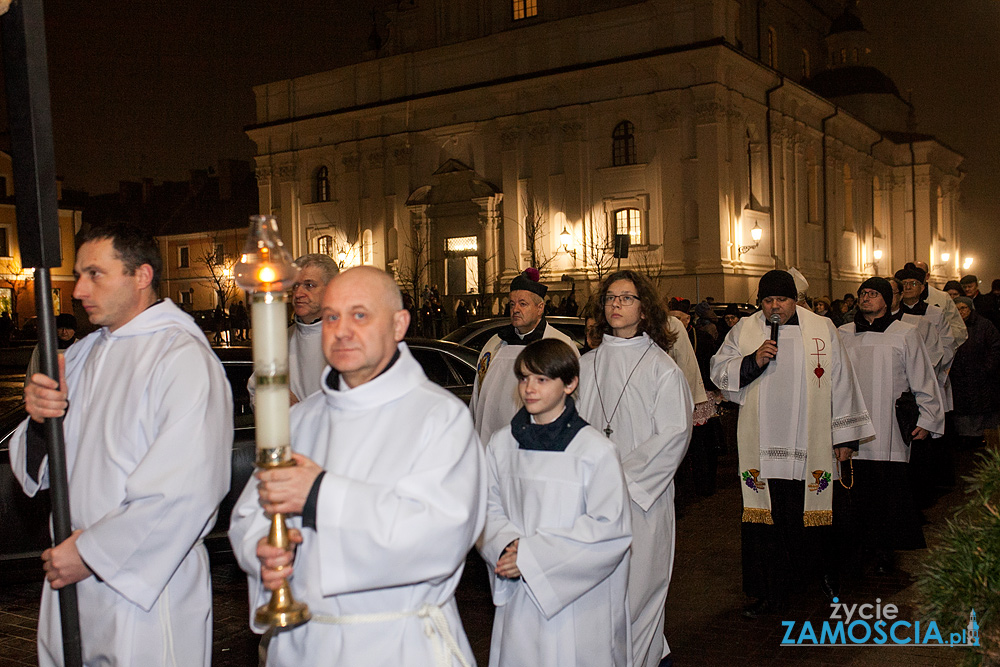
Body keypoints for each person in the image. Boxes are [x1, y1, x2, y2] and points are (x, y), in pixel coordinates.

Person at [229, 266, 485, 666]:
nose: (341, 330)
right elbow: (250, 514)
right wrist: (262, 552)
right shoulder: (297, 420)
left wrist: (318, 494)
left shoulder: (439, 416)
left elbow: (440, 536)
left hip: (397, 644)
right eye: (331, 316)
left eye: (359, 315)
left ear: (400, 324)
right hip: (303, 644)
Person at [11, 223, 233, 666]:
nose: (77, 290)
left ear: (142, 276)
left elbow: (187, 489)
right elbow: (42, 469)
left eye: (95, 274)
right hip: (71, 577)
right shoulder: (80, 355)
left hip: (144, 589)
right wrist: (38, 421)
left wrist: (92, 554)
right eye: (78, 275)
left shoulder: (181, 358)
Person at [710, 270, 873, 618]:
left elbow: (842, 379)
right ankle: (768, 590)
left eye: (781, 300)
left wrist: (845, 435)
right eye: (767, 300)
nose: (774, 307)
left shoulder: (821, 328)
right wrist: (753, 360)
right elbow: (719, 370)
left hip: (809, 443)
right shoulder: (746, 329)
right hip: (763, 444)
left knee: (812, 514)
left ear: (794, 299)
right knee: (766, 520)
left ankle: (819, 578)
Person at [481, 338, 632, 667]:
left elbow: (610, 531)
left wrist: (533, 558)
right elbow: (486, 507)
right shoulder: (502, 444)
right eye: (523, 378)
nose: (529, 389)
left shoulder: (594, 451)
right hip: (518, 588)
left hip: (578, 600)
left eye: (541, 379)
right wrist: (506, 548)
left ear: (570, 383)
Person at [577, 269, 693, 667]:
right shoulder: (585, 364)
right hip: (589, 501)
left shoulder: (663, 369)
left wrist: (618, 479)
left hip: (642, 501)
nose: (615, 304)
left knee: (639, 594)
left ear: (645, 311)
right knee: (594, 596)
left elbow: (674, 436)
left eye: (626, 298)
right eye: (610, 297)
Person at [838, 277, 945, 574]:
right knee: (854, 491)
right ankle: (858, 548)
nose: (866, 298)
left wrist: (927, 417)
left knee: (887, 491)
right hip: (852, 425)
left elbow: (923, 377)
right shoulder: (843, 333)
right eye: (863, 293)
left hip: (888, 425)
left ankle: (885, 550)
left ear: (887, 300)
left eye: (873, 294)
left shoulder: (905, 333)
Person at [470, 269, 578, 443]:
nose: (516, 310)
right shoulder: (494, 345)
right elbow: (477, 399)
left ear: (540, 308)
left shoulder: (561, 345)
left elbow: (574, 400)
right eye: (512, 304)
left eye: (523, 304)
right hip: (492, 441)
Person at [248, 253, 339, 406]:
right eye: (295, 285)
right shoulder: (281, 338)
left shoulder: (345, 337)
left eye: (309, 285)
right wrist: (272, 399)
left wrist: (301, 410)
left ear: (332, 289)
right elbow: (255, 389)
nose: (298, 294)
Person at [950, 296, 1000, 448]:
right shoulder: (950, 325)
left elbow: (995, 348)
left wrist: (986, 369)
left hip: (981, 378)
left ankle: (979, 440)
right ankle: (965, 441)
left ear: (970, 309)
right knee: (962, 414)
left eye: (963, 308)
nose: (960, 312)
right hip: (958, 377)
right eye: (957, 309)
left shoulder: (984, 325)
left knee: (980, 412)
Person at [25, 313, 78, 386]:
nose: (64, 332)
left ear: (74, 330)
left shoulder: (83, 347)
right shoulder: (44, 347)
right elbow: (33, 370)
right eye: (60, 328)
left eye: (68, 328)